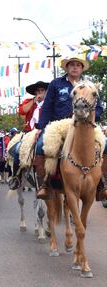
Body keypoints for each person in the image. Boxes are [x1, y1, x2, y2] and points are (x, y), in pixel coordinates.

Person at [34, 56, 105, 199]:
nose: (74, 67)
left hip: (85, 125)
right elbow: (47, 107)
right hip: (59, 126)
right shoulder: (56, 84)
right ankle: (44, 184)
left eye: (78, 65)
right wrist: (41, 127)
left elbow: (98, 107)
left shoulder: (89, 85)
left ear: (82, 68)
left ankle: (102, 184)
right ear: (66, 68)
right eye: (71, 65)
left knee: (106, 145)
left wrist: (92, 117)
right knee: (40, 145)